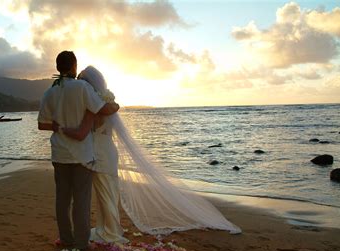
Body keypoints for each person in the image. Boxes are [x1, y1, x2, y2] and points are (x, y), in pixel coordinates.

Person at [58, 66, 242, 236]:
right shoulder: (106, 103)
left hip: (100, 154)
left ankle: (111, 232)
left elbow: (92, 126)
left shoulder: (97, 106)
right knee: (108, 195)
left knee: (106, 195)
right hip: (108, 152)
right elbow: (110, 112)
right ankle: (106, 228)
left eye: (83, 82)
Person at [37, 51, 119, 251]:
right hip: (81, 155)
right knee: (81, 201)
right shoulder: (81, 87)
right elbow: (102, 110)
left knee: (62, 200)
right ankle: (82, 244)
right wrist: (115, 105)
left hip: (59, 153)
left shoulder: (49, 92)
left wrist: (58, 128)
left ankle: (66, 239)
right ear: (74, 66)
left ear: (58, 68)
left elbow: (41, 125)